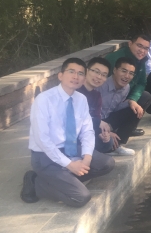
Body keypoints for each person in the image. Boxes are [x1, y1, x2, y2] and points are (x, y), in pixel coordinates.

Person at [21, 58, 115, 207]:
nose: (76, 76)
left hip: (71, 148)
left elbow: (87, 131)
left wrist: (87, 158)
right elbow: (42, 139)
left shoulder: (81, 99)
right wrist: (70, 165)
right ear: (60, 75)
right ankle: (35, 182)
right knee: (81, 197)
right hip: (44, 155)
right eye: (71, 71)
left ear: (84, 78)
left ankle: (64, 179)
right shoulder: (44, 100)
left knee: (107, 164)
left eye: (80, 73)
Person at [105, 35, 151, 136]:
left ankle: (124, 132)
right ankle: (111, 130)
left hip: (125, 95)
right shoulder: (115, 59)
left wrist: (132, 99)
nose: (142, 51)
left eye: (146, 48)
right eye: (139, 46)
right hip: (108, 98)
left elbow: (141, 82)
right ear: (130, 44)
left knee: (145, 97)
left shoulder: (140, 60)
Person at [98, 58, 142, 156]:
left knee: (137, 106)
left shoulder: (126, 87)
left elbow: (116, 108)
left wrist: (131, 101)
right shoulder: (100, 85)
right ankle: (109, 145)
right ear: (114, 70)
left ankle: (117, 144)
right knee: (104, 141)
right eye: (124, 71)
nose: (127, 76)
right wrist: (103, 130)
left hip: (108, 119)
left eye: (131, 73)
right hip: (95, 122)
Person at [76, 57, 114, 153]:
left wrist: (102, 134)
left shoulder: (97, 96)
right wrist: (97, 122)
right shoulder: (75, 90)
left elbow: (96, 119)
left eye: (104, 75)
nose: (99, 77)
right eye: (96, 72)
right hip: (71, 136)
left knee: (108, 142)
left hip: (86, 135)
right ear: (86, 70)